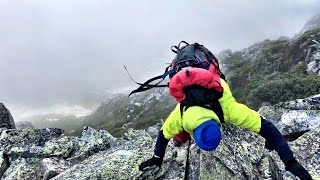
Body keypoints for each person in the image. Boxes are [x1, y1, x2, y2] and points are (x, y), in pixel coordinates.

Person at [131, 41, 312, 180]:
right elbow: (265, 126)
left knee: (177, 136)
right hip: (198, 84)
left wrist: (157, 158)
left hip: (206, 84)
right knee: (179, 136)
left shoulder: (224, 106)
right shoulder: (185, 112)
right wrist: (288, 160)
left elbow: (163, 134)